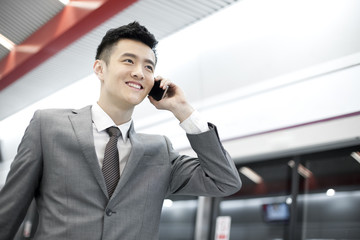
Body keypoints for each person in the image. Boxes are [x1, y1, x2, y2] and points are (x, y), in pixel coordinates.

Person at [0, 22, 241, 240]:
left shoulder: (160, 151)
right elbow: (8, 213)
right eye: (128, 61)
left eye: (149, 67)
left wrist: (183, 110)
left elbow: (225, 182)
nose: (139, 72)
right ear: (99, 69)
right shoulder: (48, 126)